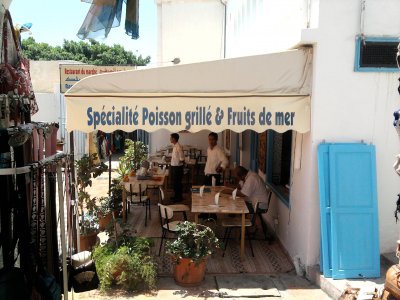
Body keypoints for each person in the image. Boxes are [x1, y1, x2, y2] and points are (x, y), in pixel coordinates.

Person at [170, 133, 185, 202]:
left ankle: (179, 198)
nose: (170, 139)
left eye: (171, 138)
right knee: (175, 183)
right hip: (174, 167)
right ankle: (176, 196)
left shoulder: (178, 146)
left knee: (178, 183)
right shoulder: (174, 146)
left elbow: (182, 158)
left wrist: (179, 163)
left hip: (178, 168)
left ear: (174, 139)